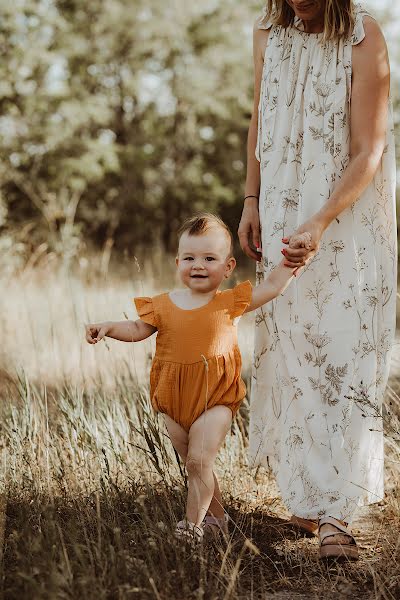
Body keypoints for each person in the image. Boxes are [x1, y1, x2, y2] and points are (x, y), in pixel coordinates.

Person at [238, 0, 396, 560]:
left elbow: (368, 149)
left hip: (342, 219)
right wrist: (252, 199)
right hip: (281, 206)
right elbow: (261, 116)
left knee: (344, 348)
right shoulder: (266, 31)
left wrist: (322, 219)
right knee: (294, 348)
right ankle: (309, 497)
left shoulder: (363, 35)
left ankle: (338, 513)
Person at [85, 213, 311, 544]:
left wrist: (293, 262)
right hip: (173, 399)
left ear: (228, 267)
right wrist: (107, 328)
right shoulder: (162, 305)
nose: (198, 265)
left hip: (215, 397)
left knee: (199, 460)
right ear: (178, 262)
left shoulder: (229, 302)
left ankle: (191, 529)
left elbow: (273, 286)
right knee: (196, 468)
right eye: (190, 258)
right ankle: (218, 521)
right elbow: (136, 329)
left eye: (209, 258)